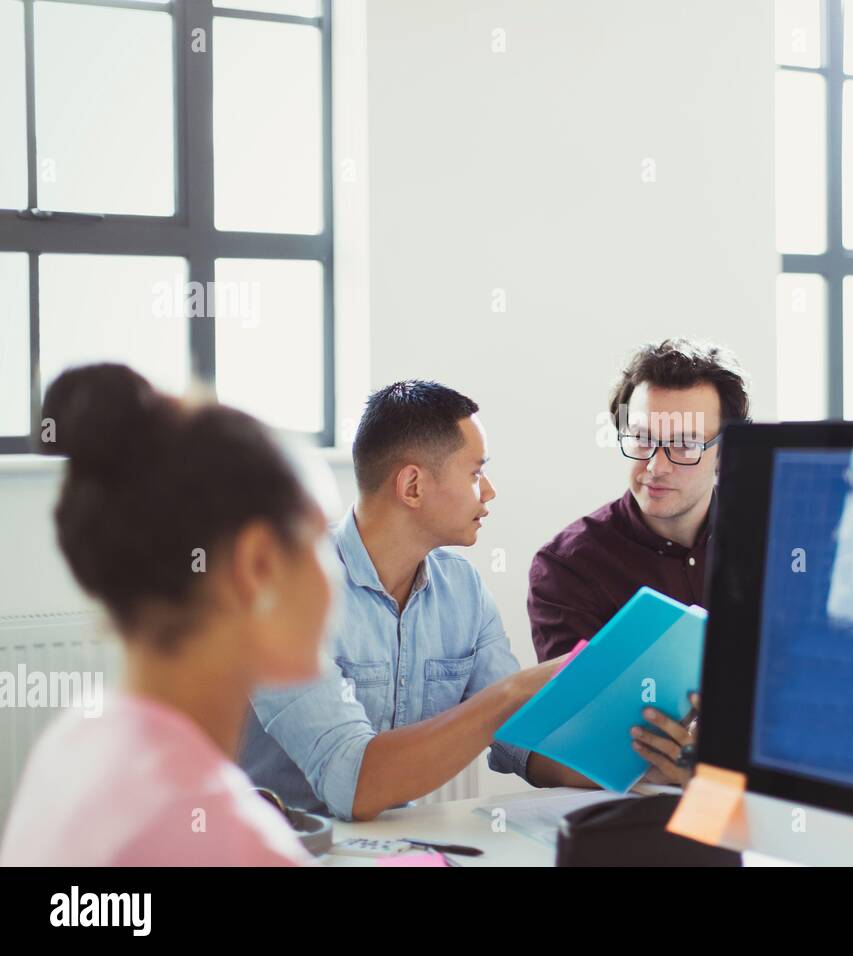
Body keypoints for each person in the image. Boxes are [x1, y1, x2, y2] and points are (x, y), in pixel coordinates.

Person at [0, 364, 328, 866]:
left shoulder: (75, 740)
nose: (336, 579)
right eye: (320, 546)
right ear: (257, 565)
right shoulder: (233, 841)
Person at [239, 380, 586, 821]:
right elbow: (352, 784)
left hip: (386, 847)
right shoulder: (289, 591)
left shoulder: (464, 589)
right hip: (281, 848)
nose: (489, 491)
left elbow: (520, 740)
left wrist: (637, 760)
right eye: (476, 473)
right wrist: (514, 690)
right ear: (413, 486)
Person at [527, 338, 750, 783]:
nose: (655, 466)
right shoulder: (567, 567)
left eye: (684, 445)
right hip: (631, 809)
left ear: (725, 451)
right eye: (643, 438)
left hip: (766, 798)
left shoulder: (771, 541)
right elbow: (579, 732)